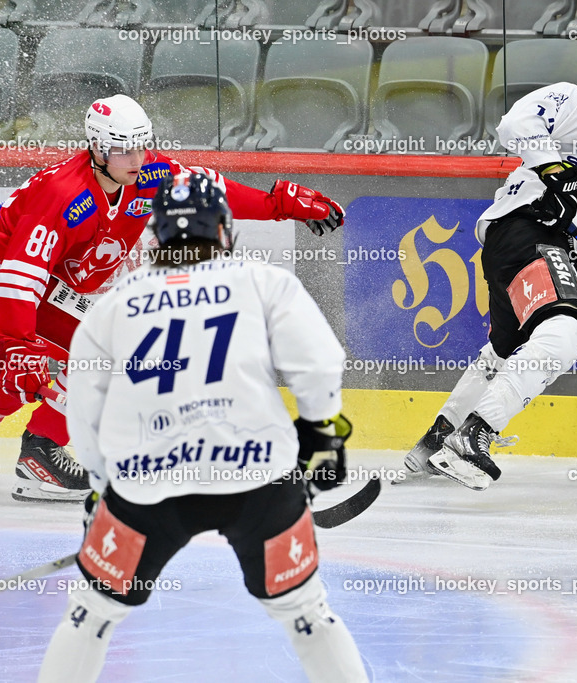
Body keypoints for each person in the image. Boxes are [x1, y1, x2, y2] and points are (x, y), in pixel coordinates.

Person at [0, 94, 344, 503]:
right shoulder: (64, 196)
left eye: (141, 146)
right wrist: (17, 343)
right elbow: (18, 280)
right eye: (122, 150)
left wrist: (277, 205)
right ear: (97, 149)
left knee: (8, 384)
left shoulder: (145, 172)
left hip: (25, 286)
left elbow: (206, 189)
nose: (136, 159)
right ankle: (40, 456)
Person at [36, 172, 367, 682]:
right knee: (306, 613)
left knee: (90, 613)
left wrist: (103, 487)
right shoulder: (263, 281)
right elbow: (318, 364)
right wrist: (324, 435)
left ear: (156, 233)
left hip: (146, 489)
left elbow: (83, 411)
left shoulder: (114, 305)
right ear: (225, 231)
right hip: (259, 479)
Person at [403, 42, 577, 490]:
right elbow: (516, 125)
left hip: (543, 247)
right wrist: (553, 169)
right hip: (528, 229)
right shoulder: (575, 104)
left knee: (505, 352)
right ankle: (475, 436)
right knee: (565, 330)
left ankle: (434, 443)